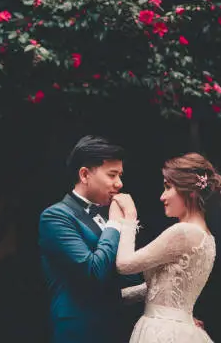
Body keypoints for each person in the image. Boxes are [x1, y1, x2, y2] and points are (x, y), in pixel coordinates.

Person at [111, 152, 221, 343]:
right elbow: (160, 287)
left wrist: (129, 220)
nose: (162, 196)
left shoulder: (183, 232)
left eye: (168, 188)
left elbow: (124, 264)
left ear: (189, 192)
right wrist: (113, 297)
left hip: (162, 331)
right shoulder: (208, 238)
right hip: (181, 329)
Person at [38, 135, 143, 343]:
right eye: (112, 175)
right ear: (85, 175)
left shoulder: (109, 213)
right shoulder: (55, 217)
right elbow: (93, 272)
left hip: (117, 329)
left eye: (120, 175)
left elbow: (129, 276)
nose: (119, 183)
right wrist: (114, 224)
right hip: (81, 331)